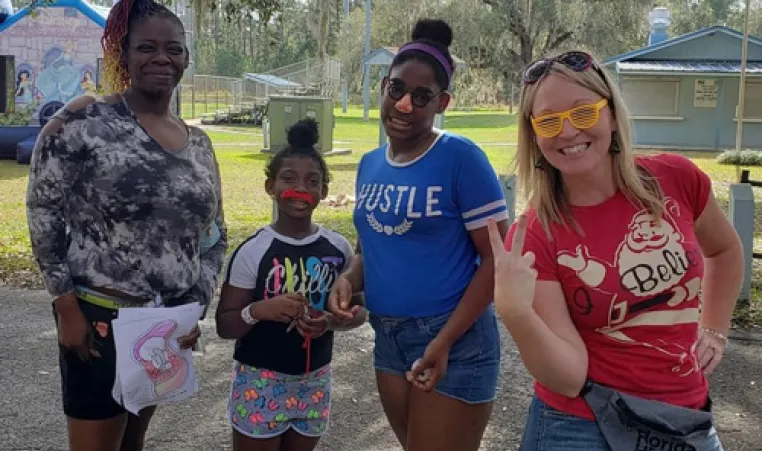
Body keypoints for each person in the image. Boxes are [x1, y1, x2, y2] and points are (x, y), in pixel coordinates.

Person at [491, 50, 743, 450]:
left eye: (584, 113)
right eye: (549, 121)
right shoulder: (538, 233)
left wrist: (714, 328)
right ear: (534, 134)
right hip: (580, 425)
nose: (568, 131)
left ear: (610, 114)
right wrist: (515, 313)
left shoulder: (676, 179)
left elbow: (726, 250)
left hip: (683, 417)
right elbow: (568, 377)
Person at [25, 0, 227, 450]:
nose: (162, 58)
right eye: (147, 47)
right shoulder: (84, 121)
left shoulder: (199, 144)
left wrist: (195, 304)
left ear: (186, 58)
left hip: (162, 326)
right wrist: (65, 304)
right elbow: (43, 209)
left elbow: (214, 235)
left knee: (132, 443)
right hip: (99, 318)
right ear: (123, 54)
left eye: (173, 49)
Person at [327, 18, 509, 451]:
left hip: (455, 339)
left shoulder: (461, 158)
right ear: (384, 87)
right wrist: (350, 281)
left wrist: (444, 341)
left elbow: (498, 259)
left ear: (441, 102)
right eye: (396, 89)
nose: (405, 105)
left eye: (421, 96)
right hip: (388, 337)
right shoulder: (371, 163)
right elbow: (373, 245)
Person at [215, 118, 368, 451]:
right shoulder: (254, 250)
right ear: (271, 187)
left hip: (314, 382)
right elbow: (225, 325)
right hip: (260, 381)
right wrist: (259, 310)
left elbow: (360, 310)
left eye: (312, 181)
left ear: (324, 192)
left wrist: (329, 321)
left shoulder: (338, 248)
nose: (300, 189)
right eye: (289, 179)